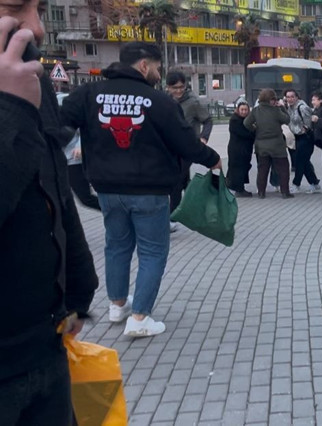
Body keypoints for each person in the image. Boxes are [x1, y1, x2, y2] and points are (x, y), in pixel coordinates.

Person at [61, 42, 221, 337]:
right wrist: (213, 160)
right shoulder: (158, 101)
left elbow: (59, 126)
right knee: (152, 251)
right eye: (158, 68)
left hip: (107, 188)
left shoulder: (88, 94)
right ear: (144, 66)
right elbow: (185, 141)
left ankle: (118, 305)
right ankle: (139, 318)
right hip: (149, 189)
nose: (159, 75)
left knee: (117, 245)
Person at [0, 10, 99, 423]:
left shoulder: (23, 79)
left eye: (38, 8)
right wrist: (8, 109)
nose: (37, 26)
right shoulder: (13, 93)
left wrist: (78, 281)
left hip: (45, 346)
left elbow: (50, 178)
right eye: (15, 7)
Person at [166, 71, 213, 230]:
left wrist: (203, 138)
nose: (179, 91)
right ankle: (203, 208)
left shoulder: (193, 102)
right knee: (185, 181)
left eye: (181, 87)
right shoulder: (163, 100)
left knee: (176, 181)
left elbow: (208, 120)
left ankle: (172, 218)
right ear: (168, 87)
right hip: (170, 147)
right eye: (175, 88)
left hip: (188, 147)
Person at [244, 88, 292, 199]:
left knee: (262, 169)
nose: (275, 101)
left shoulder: (256, 111)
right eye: (274, 99)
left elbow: (246, 123)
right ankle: (285, 192)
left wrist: (254, 129)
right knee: (283, 168)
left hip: (261, 145)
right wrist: (283, 108)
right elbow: (287, 120)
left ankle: (261, 192)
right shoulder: (276, 111)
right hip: (277, 145)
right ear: (270, 99)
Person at [285, 89, 321, 193]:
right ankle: (314, 183)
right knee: (304, 161)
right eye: (288, 97)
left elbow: (308, 122)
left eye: (292, 96)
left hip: (306, 137)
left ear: (297, 97)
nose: (290, 99)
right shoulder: (290, 108)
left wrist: (304, 129)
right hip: (298, 137)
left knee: (299, 161)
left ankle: (296, 184)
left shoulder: (302, 107)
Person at [64, 131, 101, 210]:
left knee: (85, 198)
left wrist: (80, 145)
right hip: (54, 163)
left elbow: (83, 129)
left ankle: (115, 212)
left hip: (74, 159)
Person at [226, 100, 255, 197]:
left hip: (244, 149)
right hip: (237, 149)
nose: (244, 112)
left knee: (243, 168)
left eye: (246, 110)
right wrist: (254, 132)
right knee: (238, 169)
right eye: (242, 110)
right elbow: (244, 134)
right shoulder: (235, 120)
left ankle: (238, 187)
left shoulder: (247, 120)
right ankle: (239, 189)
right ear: (238, 110)